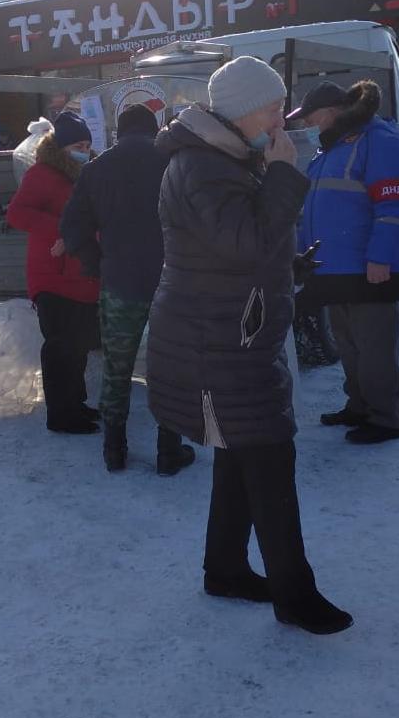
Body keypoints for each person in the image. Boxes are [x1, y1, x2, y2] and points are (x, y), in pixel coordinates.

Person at [147, 56, 352, 635]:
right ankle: (295, 596)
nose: (281, 121)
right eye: (272, 108)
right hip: (218, 343)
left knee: (240, 455)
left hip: (229, 333)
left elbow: (237, 245)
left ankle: (226, 568)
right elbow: (244, 241)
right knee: (269, 459)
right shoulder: (204, 167)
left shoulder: (226, 158)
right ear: (241, 112)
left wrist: (286, 264)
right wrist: (285, 176)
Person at [60, 104, 195, 475]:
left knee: (117, 369)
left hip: (120, 282)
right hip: (174, 283)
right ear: (154, 130)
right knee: (169, 368)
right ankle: (169, 450)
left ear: (119, 132)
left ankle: (114, 449)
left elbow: (72, 228)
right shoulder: (176, 160)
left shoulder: (96, 169)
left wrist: (96, 262)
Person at [290, 80, 399, 444]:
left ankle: (387, 418)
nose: (309, 125)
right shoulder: (329, 149)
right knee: (349, 344)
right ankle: (359, 405)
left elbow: (392, 206)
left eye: (311, 117)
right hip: (334, 267)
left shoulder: (378, 140)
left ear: (330, 111)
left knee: (374, 348)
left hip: (368, 267)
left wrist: (380, 258)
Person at [6, 111, 101, 434]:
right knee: (61, 348)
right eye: (78, 143)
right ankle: (61, 415)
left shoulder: (82, 175)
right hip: (54, 277)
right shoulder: (43, 174)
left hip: (82, 277)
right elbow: (18, 214)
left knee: (78, 346)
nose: (84, 149)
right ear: (60, 147)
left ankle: (76, 404)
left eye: (87, 144)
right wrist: (64, 231)